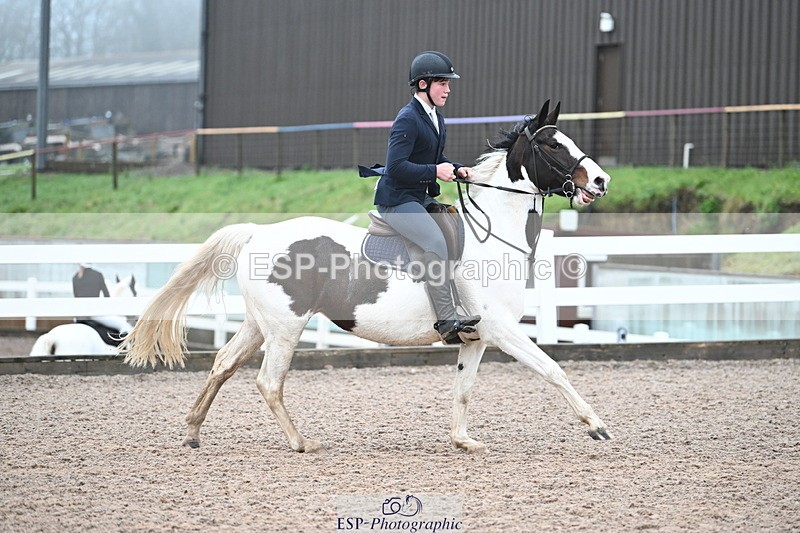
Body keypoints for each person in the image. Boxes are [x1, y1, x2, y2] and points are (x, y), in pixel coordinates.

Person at [374, 51, 481, 344]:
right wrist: (435, 171)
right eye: (443, 83)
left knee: (455, 230)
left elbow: (434, 157)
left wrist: (456, 168)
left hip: (418, 197)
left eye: (448, 83)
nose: (448, 89)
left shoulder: (435, 117)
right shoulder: (408, 118)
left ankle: (460, 304)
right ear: (423, 84)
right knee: (434, 241)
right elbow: (396, 167)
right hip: (397, 199)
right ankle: (446, 321)